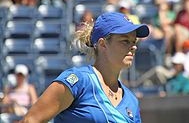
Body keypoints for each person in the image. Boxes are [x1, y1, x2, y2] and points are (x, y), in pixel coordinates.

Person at [20, 12, 150, 123]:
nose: (133, 47)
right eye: (125, 41)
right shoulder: (78, 81)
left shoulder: (132, 101)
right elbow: (30, 120)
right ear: (103, 44)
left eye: (134, 42)